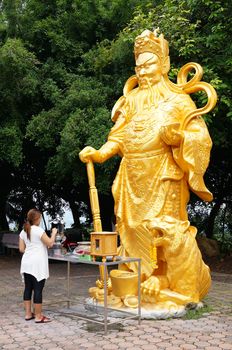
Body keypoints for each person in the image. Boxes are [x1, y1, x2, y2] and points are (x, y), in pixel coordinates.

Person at [79, 29, 217, 304]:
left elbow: (200, 138)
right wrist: (100, 153)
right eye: (138, 66)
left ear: (164, 64)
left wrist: (178, 138)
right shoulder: (130, 101)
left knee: (160, 230)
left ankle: (163, 278)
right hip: (131, 176)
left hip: (163, 175)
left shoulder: (178, 100)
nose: (142, 71)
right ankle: (131, 279)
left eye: (149, 64)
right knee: (129, 226)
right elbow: (118, 137)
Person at [19, 208, 57, 323]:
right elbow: (50, 243)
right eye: (40, 217)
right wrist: (54, 233)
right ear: (36, 218)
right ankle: (39, 316)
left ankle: (28, 314)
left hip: (26, 262)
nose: (40, 219)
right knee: (38, 289)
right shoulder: (38, 230)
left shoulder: (23, 231)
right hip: (37, 264)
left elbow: (21, 249)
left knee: (28, 288)